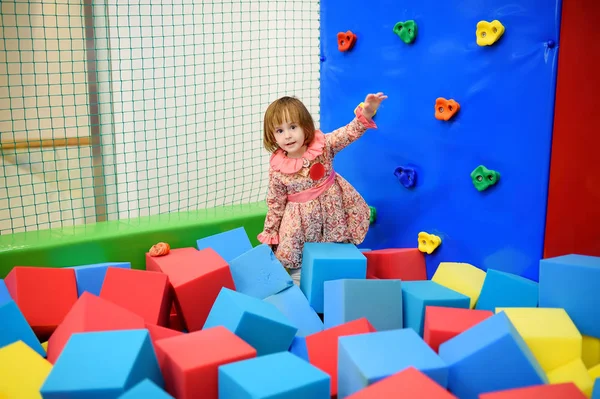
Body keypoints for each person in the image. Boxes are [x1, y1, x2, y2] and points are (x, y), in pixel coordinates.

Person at [257, 92, 387, 285]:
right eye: (280, 131)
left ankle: (340, 295)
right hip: (299, 226)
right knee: (300, 268)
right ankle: (305, 303)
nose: (288, 135)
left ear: (304, 126)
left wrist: (367, 112)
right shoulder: (278, 168)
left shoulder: (322, 146)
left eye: (293, 127)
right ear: (272, 135)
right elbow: (275, 204)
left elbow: (348, 133)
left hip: (331, 216)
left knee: (335, 257)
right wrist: (270, 234)